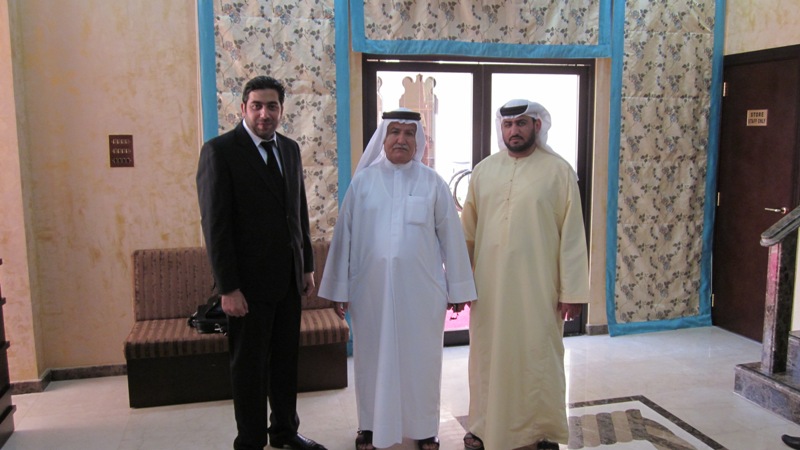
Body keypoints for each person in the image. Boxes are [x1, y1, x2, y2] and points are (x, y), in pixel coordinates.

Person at [318, 108, 477, 450]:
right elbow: (344, 239)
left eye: (408, 133)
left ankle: (424, 429)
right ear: (384, 138)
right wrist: (339, 289)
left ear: (418, 141)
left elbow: (451, 238)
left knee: (422, 363)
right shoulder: (363, 183)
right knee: (371, 360)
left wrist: (458, 289)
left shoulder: (433, 183)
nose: (401, 139)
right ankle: (369, 426)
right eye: (395, 132)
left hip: (421, 294)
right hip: (370, 292)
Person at [196, 75, 326, 450]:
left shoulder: (290, 149)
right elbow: (216, 226)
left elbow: (298, 211)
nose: (264, 114)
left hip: (288, 281)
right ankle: (250, 441)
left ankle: (284, 432)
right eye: (256, 106)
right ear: (243, 108)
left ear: (281, 110)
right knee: (249, 367)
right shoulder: (220, 151)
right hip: (247, 287)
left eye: (272, 106)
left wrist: (306, 265)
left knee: (285, 362)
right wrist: (228, 288)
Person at [460, 99, 589, 450]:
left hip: (538, 288)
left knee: (537, 356)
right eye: (508, 125)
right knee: (487, 358)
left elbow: (572, 236)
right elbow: (467, 233)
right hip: (489, 289)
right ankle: (483, 425)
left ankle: (538, 431)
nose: (514, 131)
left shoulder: (559, 172)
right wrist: (459, 283)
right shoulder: (484, 171)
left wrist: (572, 292)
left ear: (537, 126)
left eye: (521, 123)